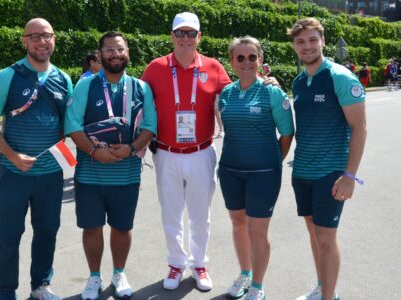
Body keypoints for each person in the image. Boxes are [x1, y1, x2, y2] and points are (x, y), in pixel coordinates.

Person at [0, 18, 73, 300]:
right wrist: (12, 154)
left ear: (54, 39)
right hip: (14, 173)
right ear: (24, 41)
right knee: (9, 234)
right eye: (34, 36)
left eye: (46, 36)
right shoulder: (7, 76)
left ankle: (41, 286)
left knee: (47, 231)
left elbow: (69, 126)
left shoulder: (64, 79)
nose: (41, 41)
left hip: (49, 175)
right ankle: (7, 290)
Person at [141, 12, 231, 291]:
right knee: (171, 213)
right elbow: (139, 107)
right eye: (180, 33)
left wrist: (267, 86)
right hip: (166, 152)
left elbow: (236, 97)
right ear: (172, 36)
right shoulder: (155, 68)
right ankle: (176, 263)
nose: (185, 38)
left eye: (191, 33)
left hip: (201, 152)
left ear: (199, 37)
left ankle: (199, 264)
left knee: (200, 215)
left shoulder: (214, 67)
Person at [65, 31, 157, 300]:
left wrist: (131, 148)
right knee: (91, 227)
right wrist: (94, 151)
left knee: (122, 227)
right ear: (100, 54)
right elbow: (72, 124)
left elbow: (150, 126)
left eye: (120, 49)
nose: (115, 54)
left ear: (127, 51)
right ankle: (94, 277)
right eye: (109, 50)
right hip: (90, 174)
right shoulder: (86, 85)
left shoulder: (141, 87)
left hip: (127, 174)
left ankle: (119, 272)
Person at [289, 18, 367, 300]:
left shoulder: (340, 77)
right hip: (303, 172)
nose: (307, 46)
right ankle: (324, 288)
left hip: (330, 174)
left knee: (326, 237)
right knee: (313, 232)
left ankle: (328, 297)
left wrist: (349, 175)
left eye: (312, 40)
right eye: (300, 41)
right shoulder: (299, 81)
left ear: (322, 41)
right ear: (294, 46)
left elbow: (360, 127)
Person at [218, 36, 294, 300]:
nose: (247, 62)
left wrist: (273, 160)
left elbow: (287, 132)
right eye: (241, 57)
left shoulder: (272, 92)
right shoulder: (226, 93)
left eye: (252, 57)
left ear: (260, 60)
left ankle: (258, 286)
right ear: (232, 62)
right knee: (238, 223)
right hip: (230, 170)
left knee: (257, 230)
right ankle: (245, 274)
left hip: (264, 173)